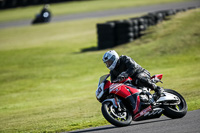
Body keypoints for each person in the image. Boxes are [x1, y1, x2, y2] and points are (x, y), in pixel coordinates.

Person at [102, 50, 163, 115]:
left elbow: (133, 67)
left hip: (140, 73)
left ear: (114, 58)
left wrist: (125, 74)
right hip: (129, 82)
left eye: (110, 62)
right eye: (107, 63)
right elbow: (113, 83)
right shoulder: (112, 72)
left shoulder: (124, 59)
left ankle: (158, 89)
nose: (108, 64)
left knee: (139, 78)